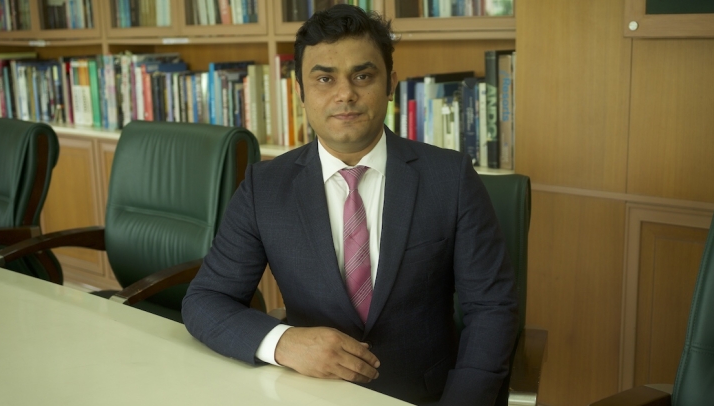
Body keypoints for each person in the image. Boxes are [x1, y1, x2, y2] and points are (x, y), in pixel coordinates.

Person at [182, 4, 518, 405]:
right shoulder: (264, 187)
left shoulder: (452, 178)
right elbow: (205, 300)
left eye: (363, 75)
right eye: (325, 78)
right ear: (301, 91)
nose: (345, 94)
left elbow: (492, 310)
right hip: (307, 394)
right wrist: (283, 342)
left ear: (390, 83)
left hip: (422, 396)